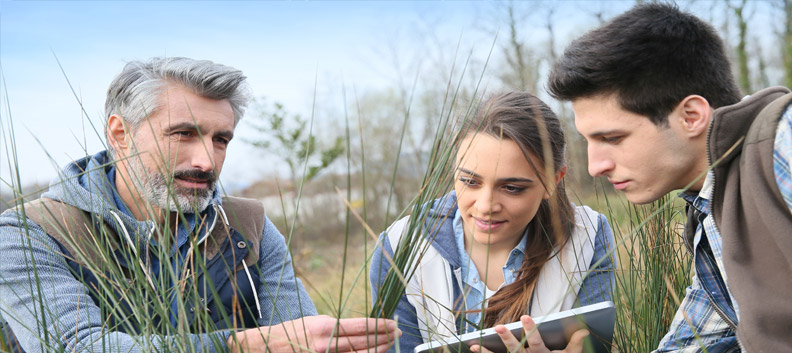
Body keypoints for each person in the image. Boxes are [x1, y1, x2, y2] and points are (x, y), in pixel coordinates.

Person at [0, 57, 399, 353]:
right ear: (120, 134)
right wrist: (236, 345)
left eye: (220, 139)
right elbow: (76, 347)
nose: (206, 161)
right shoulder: (30, 233)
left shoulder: (249, 226)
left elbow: (298, 337)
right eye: (183, 134)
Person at [547, 3, 792, 352]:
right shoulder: (709, 212)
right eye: (588, 141)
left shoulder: (782, 139)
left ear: (691, 116)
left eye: (612, 138)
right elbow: (691, 343)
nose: (595, 166)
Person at [369, 92, 616, 353]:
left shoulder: (588, 235)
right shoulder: (399, 245)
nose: (485, 206)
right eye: (469, 181)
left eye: (511, 187)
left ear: (553, 181)